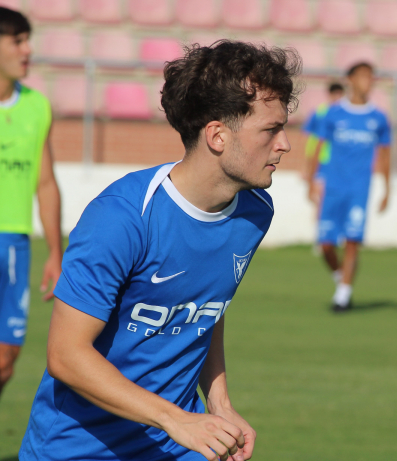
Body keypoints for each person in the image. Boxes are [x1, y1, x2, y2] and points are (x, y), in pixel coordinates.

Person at [19, 40, 299, 461]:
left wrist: (218, 403)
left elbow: (206, 308)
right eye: (270, 129)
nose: (284, 144)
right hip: (78, 447)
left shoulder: (255, 211)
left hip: (176, 444)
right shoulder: (122, 217)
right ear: (218, 135)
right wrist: (176, 419)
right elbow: (66, 355)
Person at [0, 7, 62, 400]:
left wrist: (56, 252)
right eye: (17, 41)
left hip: (14, 245)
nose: (28, 50)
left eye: (28, 40)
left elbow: (45, 182)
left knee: (7, 357)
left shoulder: (37, 106)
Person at [307, 62, 391, 312]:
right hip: (333, 187)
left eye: (371, 77)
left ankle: (343, 295)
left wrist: (387, 189)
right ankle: (340, 276)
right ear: (351, 80)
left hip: (359, 188)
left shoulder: (378, 118)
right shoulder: (333, 114)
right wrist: (311, 181)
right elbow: (317, 147)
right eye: (364, 76)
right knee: (325, 244)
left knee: (352, 240)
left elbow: (385, 154)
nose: (369, 81)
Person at [302, 82, 344, 208]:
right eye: (335, 94)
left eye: (340, 94)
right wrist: (306, 165)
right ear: (329, 95)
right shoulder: (319, 112)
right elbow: (310, 139)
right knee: (319, 195)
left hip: (338, 161)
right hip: (321, 160)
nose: (337, 98)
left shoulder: (345, 114)